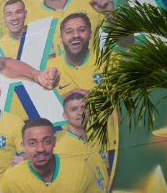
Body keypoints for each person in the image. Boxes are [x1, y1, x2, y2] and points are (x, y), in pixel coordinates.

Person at [46, 13, 118, 150]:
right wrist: (69, 96)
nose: (75, 35)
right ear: (61, 39)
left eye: (81, 30)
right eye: (69, 32)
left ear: (90, 34)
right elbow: (43, 107)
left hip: (107, 145)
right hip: (67, 150)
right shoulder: (49, 68)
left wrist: (92, 94)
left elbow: (123, 93)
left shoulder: (108, 59)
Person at [0, 118, 106, 192]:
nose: (40, 149)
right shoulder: (10, 179)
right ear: (23, 146)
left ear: (54, 141)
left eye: (47, 141)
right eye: (32, 143)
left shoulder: (80, 169)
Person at [54, 92, 109, 187]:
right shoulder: (59, 147)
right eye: (74, 109)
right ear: (65, 116)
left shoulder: (97, 138)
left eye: (84, 108)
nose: (80, 112)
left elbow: (106, 171)